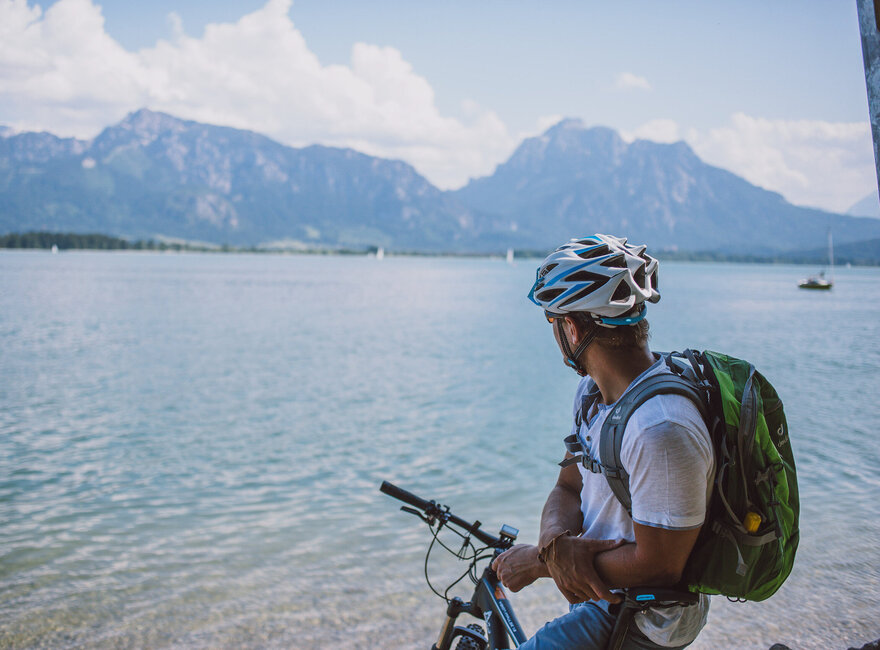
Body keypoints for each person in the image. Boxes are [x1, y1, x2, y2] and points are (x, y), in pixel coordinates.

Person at [492, 234, 715, 649]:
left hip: (647, 618)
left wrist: (543, 564)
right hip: (604, 597)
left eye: (552, 322)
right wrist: (557, 546)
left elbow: (661, 566)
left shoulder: (661, 427)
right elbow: (567, 485)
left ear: (572, 329)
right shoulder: (593, 395)